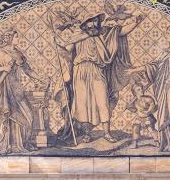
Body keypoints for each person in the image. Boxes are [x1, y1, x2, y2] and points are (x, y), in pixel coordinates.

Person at [55, 10, 142, 143]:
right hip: (80, 70)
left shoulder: (103, 32)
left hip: (97, 69)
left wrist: (135, 22)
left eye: (95, 20)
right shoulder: (77, 34)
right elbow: (68, 51)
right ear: (84, 23)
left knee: (102, 101)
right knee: (83, 103)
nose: (93, 23)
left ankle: (107, 133)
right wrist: (58, 42)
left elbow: (121, 32)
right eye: (90, 20)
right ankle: (86, 134)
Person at [0, 28, 41, 153]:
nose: (18, 39)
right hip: (3, 88)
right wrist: (3, 69)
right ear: (10, 39)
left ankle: (21, 142)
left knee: (29, 115)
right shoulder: (1, 53)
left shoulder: (18, 53)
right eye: (16, 37)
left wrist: (41, 78)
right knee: (7, 115)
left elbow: (28, 70)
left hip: (16, 88)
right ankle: (6, 143)